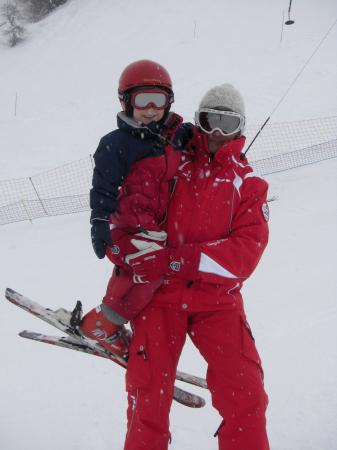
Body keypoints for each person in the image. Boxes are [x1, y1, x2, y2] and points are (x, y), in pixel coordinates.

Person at [123, 84, 270, 449]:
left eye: (228, 122)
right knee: (148, 398)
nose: (218, 133)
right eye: (211, 120)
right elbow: (138, 209)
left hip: (217, 303)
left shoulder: (249, 185)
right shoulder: (172, 165)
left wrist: (179, 259)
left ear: (241, 129)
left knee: (246, 395)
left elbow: (244, 255)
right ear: (198, 122)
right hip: (160, 298)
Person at [80, 60, 189, 359]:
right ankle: (102, 325)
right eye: (143, 100)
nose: (152, 108)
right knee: (147, 268)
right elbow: (102, 186)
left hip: (156, 228)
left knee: (156, 269)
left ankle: (110, 323)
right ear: (126, 102)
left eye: (159, 100)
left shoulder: (175, 137)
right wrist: (99, 220)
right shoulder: (116, 144)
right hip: (127, 227)